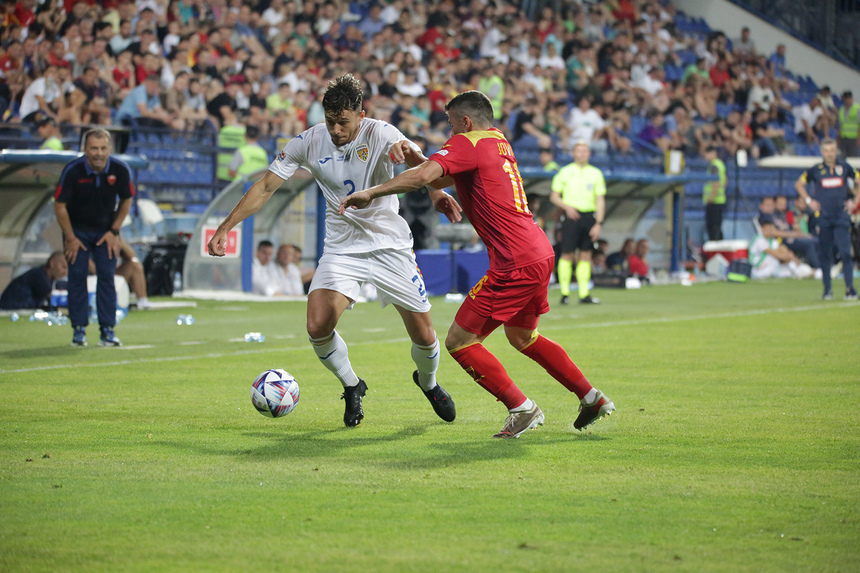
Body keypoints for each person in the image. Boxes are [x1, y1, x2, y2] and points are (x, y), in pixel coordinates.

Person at [340, 90, 615, 438]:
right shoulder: (497, 142)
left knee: (460, 341)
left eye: (452, 124)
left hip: (514, 261)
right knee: (522, 336)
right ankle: (591, 397)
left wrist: (372, 192)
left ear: (466, 122)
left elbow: (426, 176)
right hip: (538, 250)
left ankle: (522, 408)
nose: (449, 132)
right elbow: (437, 176)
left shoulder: (466, 144)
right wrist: (414, 155)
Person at [208, 74, 461, 427]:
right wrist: (225, 226)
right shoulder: (308, 141)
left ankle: (429, 383)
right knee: (317, 325)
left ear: (361, 114)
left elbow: (420, 165)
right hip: (342, 248)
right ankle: (352, 385)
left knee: (424, 335)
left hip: (390, 246)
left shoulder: (382, 133)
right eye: (330, 121)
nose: (336, 130)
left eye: (343, 122)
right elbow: (265, 186)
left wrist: (436, 193)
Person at [54, 128, 134, 347]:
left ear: (109, 149)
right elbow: (59, 205)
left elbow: (126, 200)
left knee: (107, 276)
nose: (98, 153)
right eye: (93, 148)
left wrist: (114, 232)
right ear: (85, 149)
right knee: (77, 276)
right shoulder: (72, 170)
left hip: (105, 231)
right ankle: (78, 330)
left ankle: (107, 331)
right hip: (76, 231)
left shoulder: (120, 169)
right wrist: (70, 237)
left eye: (102, 148)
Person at [795, 138, 859, 300]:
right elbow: (799, 184)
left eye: (832, 150)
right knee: (825, 254)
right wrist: (809, 201)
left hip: (841, 216)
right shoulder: (815, 170)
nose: (829, 154)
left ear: (835, 151)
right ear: (822, 152)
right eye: (826, 151)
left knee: (845, 253)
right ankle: (827, 290)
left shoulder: (845, 167)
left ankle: (849, 289)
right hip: (823, 217)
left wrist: (855, 201)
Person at [549, 140, 606, 304]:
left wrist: (598, 223)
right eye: (578, 151)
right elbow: (554, 196)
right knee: (567, 253)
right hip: (571, 217)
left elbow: (600, 200)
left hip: (589, 216)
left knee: (586, 255)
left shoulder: (596, 174)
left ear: (589, 154)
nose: (581, 154)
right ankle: (564, 293)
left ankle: (584, 293)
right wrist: (566, 207)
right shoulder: (564, 172)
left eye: (584, 151)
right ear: (573, 153)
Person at [0, 252, 67, 310]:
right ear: (52, 263)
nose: (65, 272)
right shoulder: (39, 275)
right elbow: (53, 297)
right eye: (63, 267)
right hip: (10, 309)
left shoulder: (49, 279)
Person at [749, 220, 814, 280]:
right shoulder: (759, 240)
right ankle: (803, 271)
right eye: (767, 229)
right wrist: (789, 257)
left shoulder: (772, 240)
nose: (770, 232)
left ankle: (808, 272)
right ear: (762, 229)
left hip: (773, 268)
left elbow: (782, 248)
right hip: (759, 269)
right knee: (773, 257)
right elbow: (775, 254)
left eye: (771, 229)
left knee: (789, 270)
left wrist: (790, 256)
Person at [702, 146, 726, 241]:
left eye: (708, 153)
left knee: (713, 228)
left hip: (714, 202)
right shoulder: (720, 164)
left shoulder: (714, 166)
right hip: (720, 200)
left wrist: (711, 198)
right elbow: (725, 180)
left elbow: (716, 183)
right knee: (717, 228)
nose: (705, 155)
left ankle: (715, 251)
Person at [837, 91, 858, 158]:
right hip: (843, 138)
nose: (847, 100)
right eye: (845, 99)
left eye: (849, 98)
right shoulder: (842, 109)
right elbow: (841, 125)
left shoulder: (857, 109)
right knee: (842, 157)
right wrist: (838, 138)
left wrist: (859, 139)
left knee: (853, 158)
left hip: (853, 139)